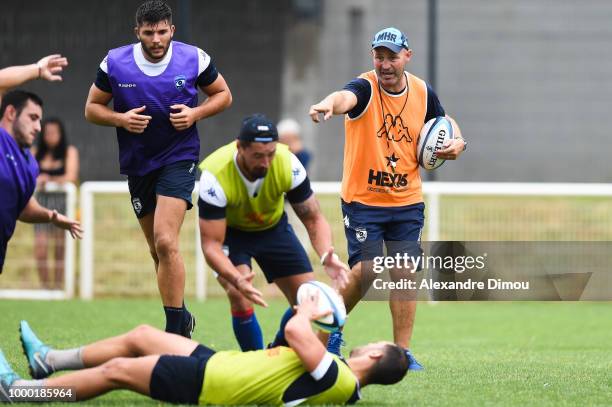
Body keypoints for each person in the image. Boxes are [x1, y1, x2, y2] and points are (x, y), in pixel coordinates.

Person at [309, 27, 466, 368]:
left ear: (407, 56)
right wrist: (328, 105)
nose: (385, 64)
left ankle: (403, 352)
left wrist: (458, 142)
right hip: (364, 201)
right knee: (365, 272)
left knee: (405, 273)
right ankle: (333, 330)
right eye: (379, 57)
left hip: (407, 201)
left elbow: (444, 120)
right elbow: (344, 97)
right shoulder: (365, 87)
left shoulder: (423, 92)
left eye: (392, 57)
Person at [84, 0, 232, 338]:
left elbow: (223, 95)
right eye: (148, 32)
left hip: (179, 157)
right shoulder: (115, 63)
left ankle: (174, 333)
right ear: (137, 32)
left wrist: (195, 114)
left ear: (172, 31)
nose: (155, 39)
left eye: (162, 31)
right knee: (157, 250)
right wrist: (120, 119)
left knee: (167, 241)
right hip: (138, 164)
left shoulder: (194, 58)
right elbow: (91, 108)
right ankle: (181, 315)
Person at [0, 293, 408, 405]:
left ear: (374, 356)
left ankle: (22, 392)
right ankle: (47, 360)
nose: (371, 341)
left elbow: (299, 333)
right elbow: (297, 343)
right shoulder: (333, 371)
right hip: (218, 364)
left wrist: (309, 308)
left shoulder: (340, 382)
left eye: (378, 343)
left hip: (211, 385)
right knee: (142, 334)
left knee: (118, 371)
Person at [198, 113, 349, 351]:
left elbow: (313, 218)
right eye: (258, 155)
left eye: (270, 154)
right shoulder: (215, 175)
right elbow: (210, 246)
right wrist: (237, 279)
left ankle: (276, 349)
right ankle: (255, 361)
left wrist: (326, 255)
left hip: (272, 229)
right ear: (240, 147)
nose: (266, 163)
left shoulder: (289, 164)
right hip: (232, 233)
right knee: (238, 294)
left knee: (307, 297)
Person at [0, 56, 82, 276]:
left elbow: (24, 207)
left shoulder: (29, 164)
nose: (38, 127)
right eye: (33, 117)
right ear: (10, 113)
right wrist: (36, 69)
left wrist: (52, 217)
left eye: (40, 120)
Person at [31, 118, 80, 289]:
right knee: (41, 249)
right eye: (47, 132)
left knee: (60, 250)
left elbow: (71, 176)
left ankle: (58, 288)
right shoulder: (35, 151)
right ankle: (45, 288)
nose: (51, 136)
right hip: (41, 205)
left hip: (62, 204)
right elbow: (28, 175)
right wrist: (38, 180)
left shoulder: (69, 152)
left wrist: (50, 179)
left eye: (54, 132)